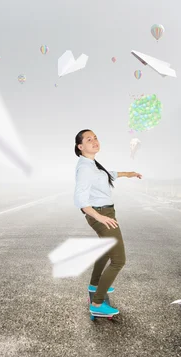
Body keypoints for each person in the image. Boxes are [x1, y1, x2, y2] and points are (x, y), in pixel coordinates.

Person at [73, 129, 142, 315]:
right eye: (89, 139)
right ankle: (97, 304)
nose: (95, 141)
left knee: (105, 250)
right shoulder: (85, 168)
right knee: (119, 260)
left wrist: (130, 173)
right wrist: (100, 217)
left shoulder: (92, 164)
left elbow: (108, 174)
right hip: (102, 214)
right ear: (80, 146)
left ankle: (95, 285)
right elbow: (80, 199)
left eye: (95, 137)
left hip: (106, 211)